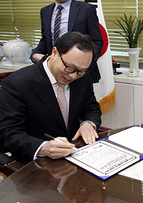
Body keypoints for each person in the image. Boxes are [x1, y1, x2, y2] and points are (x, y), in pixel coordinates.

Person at [0, 32, 102, 164]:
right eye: (70, 68)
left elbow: (92, 108)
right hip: (36, 164)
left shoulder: (83, 77)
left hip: (77, 155)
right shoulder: (17, 84)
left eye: (81, 71)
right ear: (54, 52)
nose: (73, 76)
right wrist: (43, 147)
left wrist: (88, 123)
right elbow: (6, 133)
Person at [30, 0, 103, 83]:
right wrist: (35, 54)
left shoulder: (86, 9)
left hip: (79, 75)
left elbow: (97, 42)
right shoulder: (45, 11)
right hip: (54, 72)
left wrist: (83, 68)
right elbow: (45, 40)